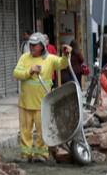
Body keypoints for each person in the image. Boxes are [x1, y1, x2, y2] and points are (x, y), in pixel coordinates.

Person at [12, 33, 70, 161]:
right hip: (25, 102)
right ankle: (26, 154)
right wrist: (29, 71)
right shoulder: (24, 58)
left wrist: (66, 55)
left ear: (42, 46)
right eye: (31, 45)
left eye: (35, 45)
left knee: (41, 130)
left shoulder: (49, 59)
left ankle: (41, 154)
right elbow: (16, 73)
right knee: (25, 130)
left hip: (42, 103)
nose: (32, 47)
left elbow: (62, 64)